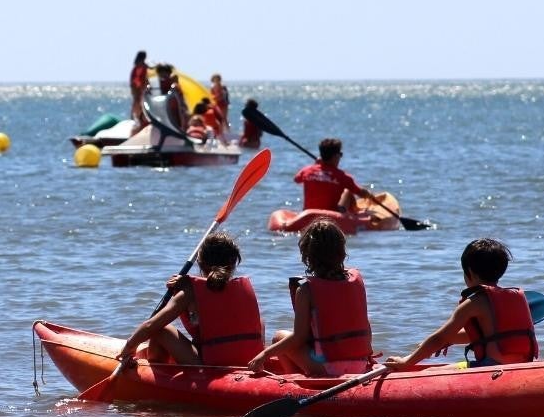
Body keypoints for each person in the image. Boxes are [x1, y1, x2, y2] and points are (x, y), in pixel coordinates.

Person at [384, 239, 537, 370]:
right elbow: (490, 334)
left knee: (429, 373)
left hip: (491, 368)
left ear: (469, 272)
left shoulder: (474, 302)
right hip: (521, 366)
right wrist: (450, 340)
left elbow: (440, 338)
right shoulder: (516, 297)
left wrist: (406, 362)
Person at [247, 219, 374, 377]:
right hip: (361, 364)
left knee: (278, 337)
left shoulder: (306, 290)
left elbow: (298, 338)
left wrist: (264, 355)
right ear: (341, 250)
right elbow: (366, 327)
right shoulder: (356, 281)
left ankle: (295, 384)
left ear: (308, 254)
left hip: (329, 369)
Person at [119, 232, 264, 366]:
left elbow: (151, 326)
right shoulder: (242, 288)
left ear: (200, 263)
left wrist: (129, 347)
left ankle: (158, 372)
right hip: (249, 361)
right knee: (259, 322)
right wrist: (187, 283)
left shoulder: (190, 292)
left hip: (212, 365)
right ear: (234, 262)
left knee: (160, 329)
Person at [294, 137, 377, 212]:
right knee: (348, 191)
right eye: (340, 154)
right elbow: (360, 193)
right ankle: (355, 213)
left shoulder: (306, 171)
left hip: (309, 213)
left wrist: (316, 165)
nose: (340, 157)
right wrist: (369, 194)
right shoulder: (343, 177)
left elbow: (296, 179)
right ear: (335, 156)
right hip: (332, 215)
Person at [129, 50, 150, 129]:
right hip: (138, 86)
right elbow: (138, 77)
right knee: (138, 101)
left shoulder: (138, 65)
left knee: (138, 101)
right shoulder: (140, 65)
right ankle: (135, 116)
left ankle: (136, 116)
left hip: (137, 85)